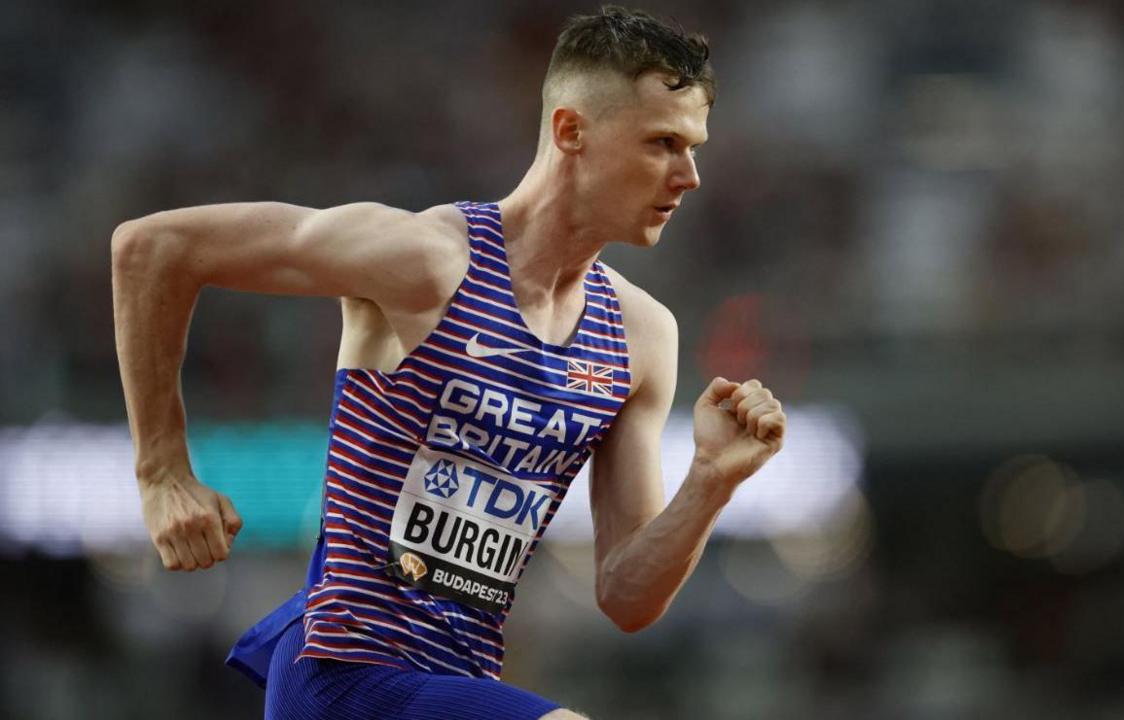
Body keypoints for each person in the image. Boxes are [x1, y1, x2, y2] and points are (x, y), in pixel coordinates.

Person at [111, 6, 786, 719]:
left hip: (456, 683)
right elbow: (152, 250)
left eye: (694, 147)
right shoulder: (427, 262)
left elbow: (626, 596)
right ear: (570, 131)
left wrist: (711, 481)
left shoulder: (642, 336)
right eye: (663, 143)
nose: (690, 176)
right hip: (345, 670)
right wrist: (162, 472)